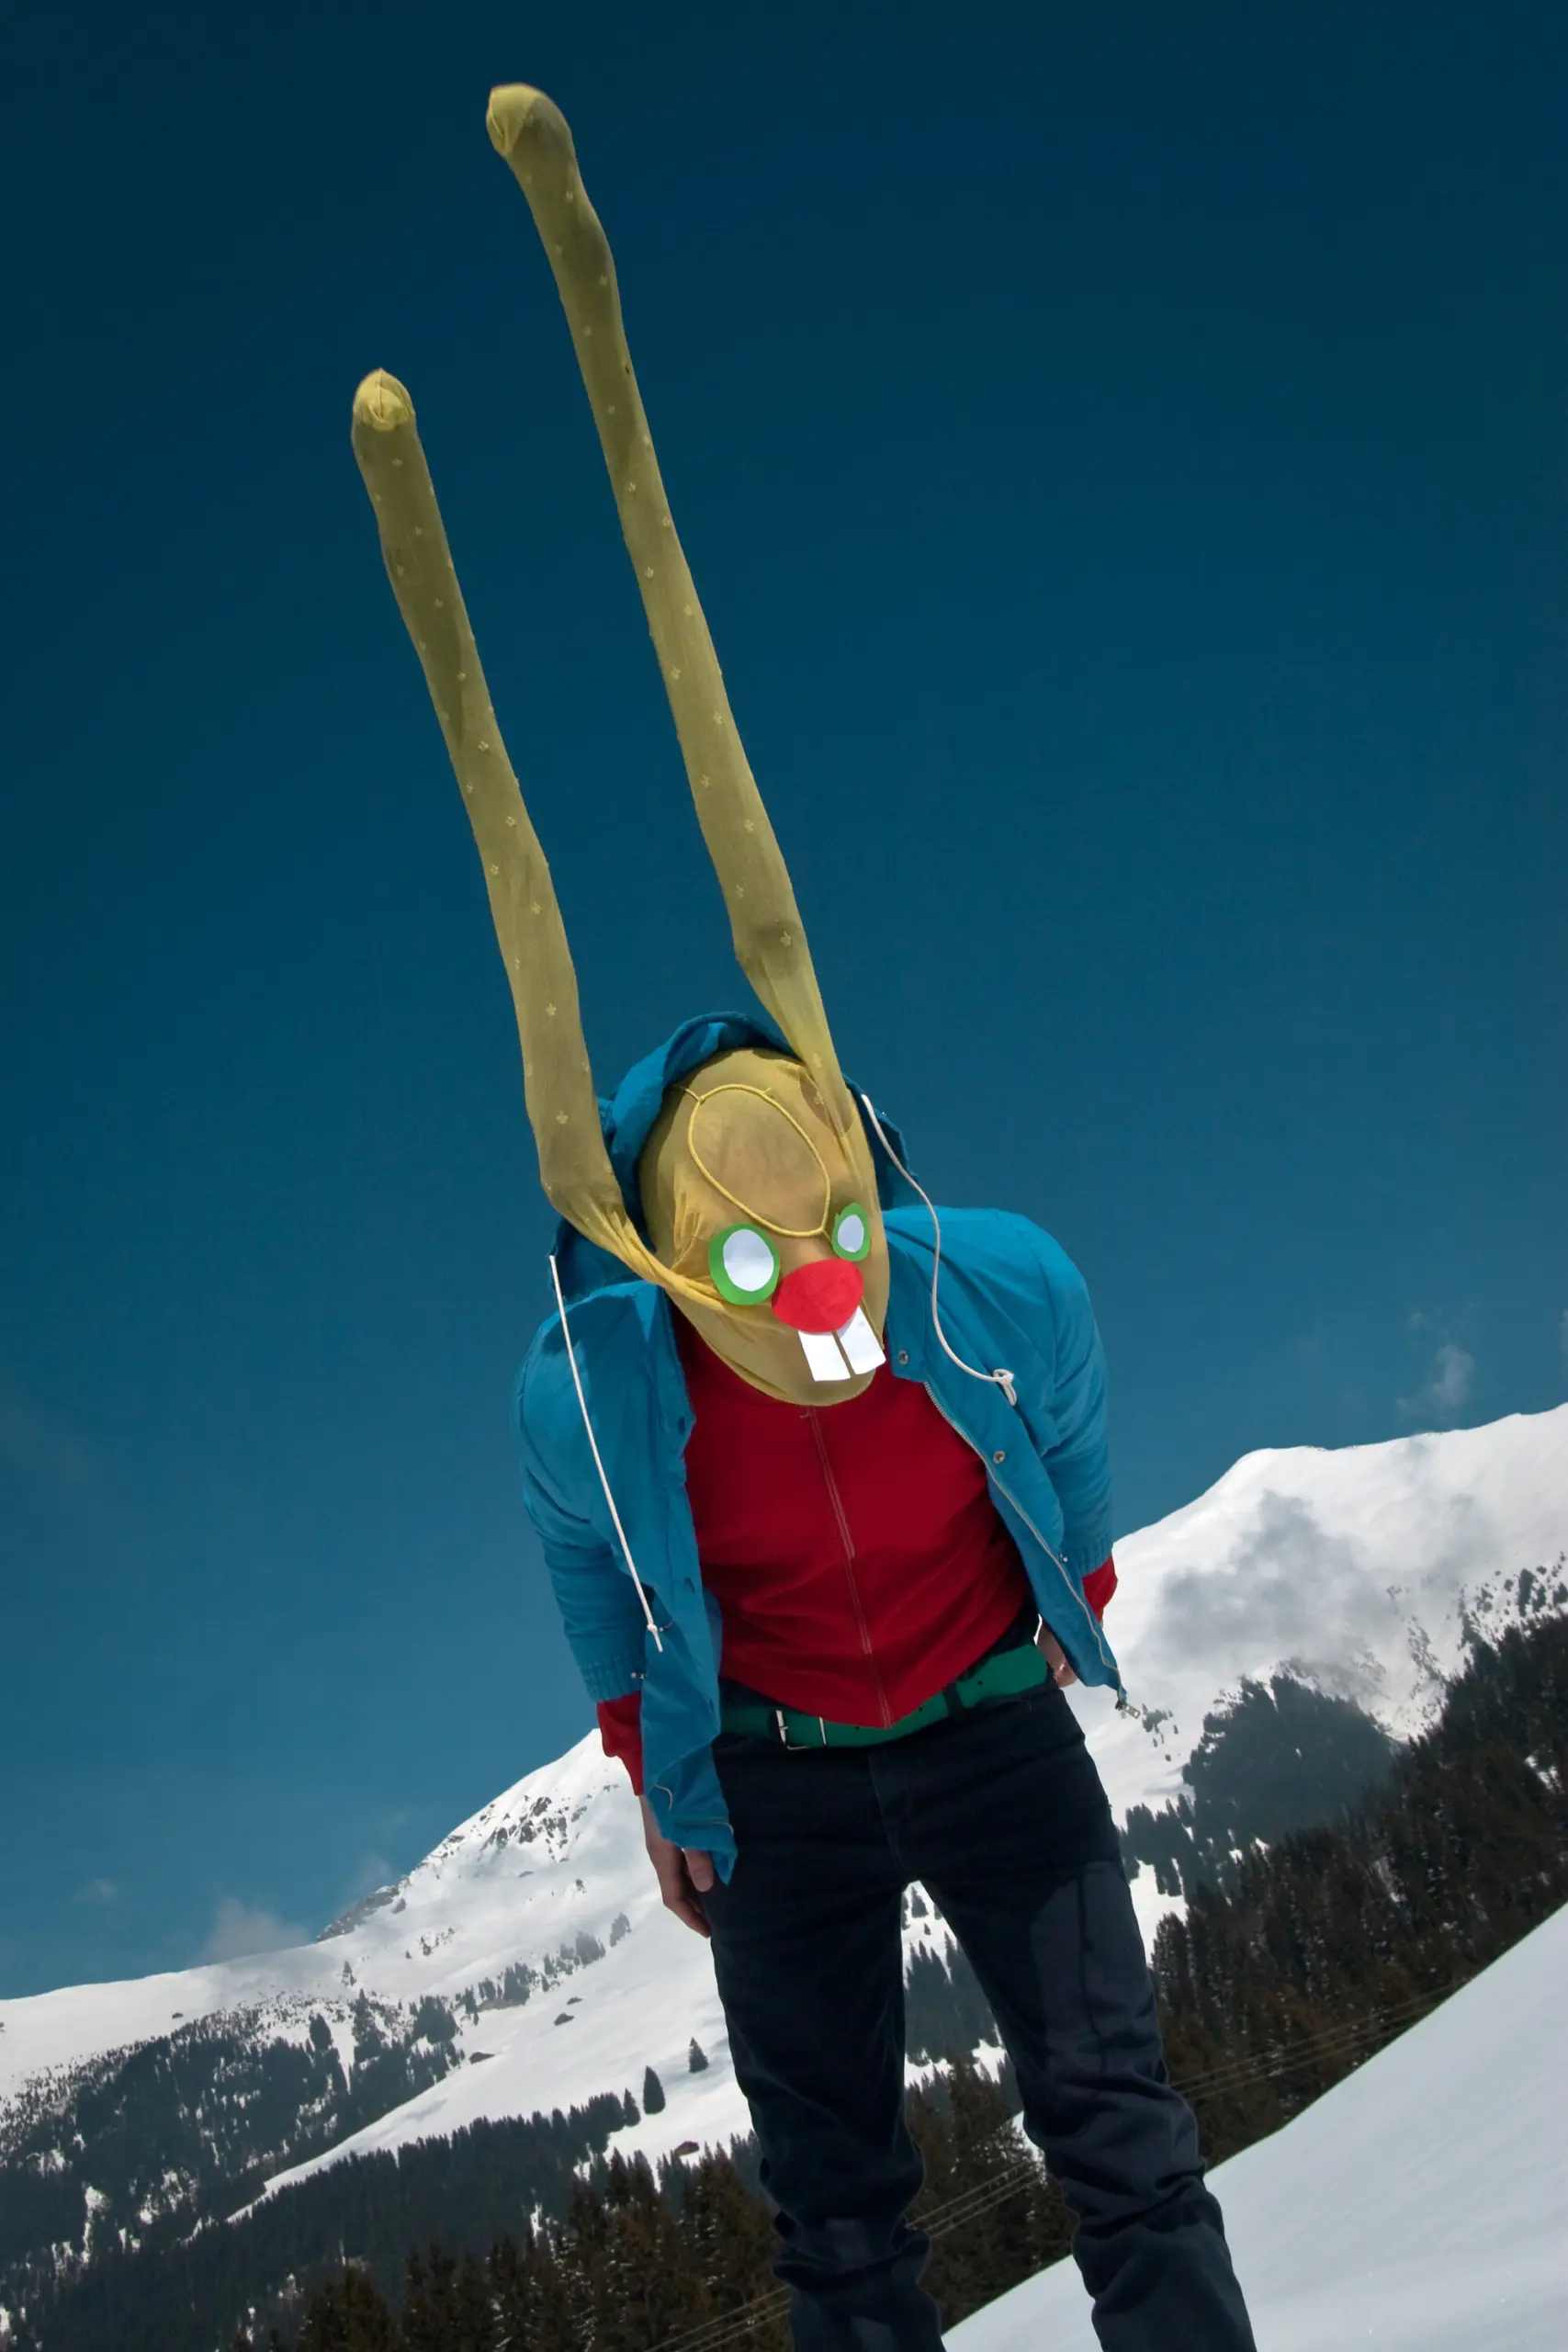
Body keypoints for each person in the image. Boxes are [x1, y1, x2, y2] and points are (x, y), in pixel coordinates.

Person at [350, 83, 1256, 2352]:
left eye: (834, 1235)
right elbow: (600, 1570)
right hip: (773, 1775)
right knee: (839, 2218)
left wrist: (1072, 1585)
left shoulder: (988, 1276)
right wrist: (655, 1761)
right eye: (755, 1266)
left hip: (986, 1713)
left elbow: (1068, 1415)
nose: (819, 1298)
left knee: (1122, 2128)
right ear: (673, 1253)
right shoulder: (589, 1383)